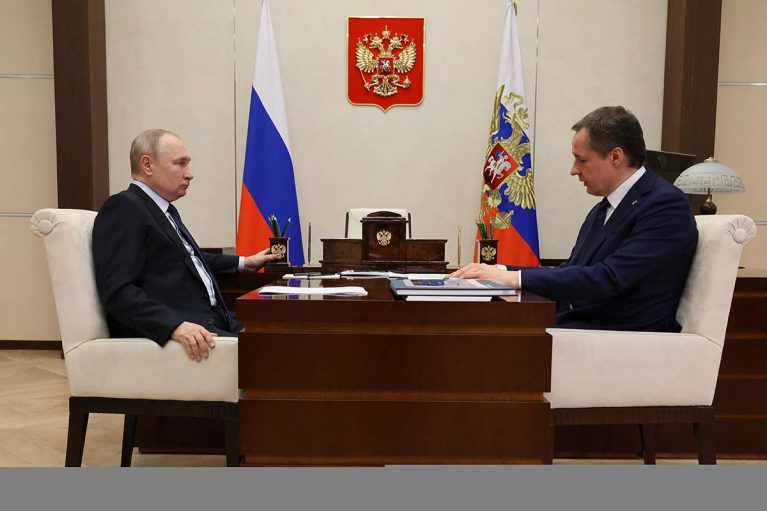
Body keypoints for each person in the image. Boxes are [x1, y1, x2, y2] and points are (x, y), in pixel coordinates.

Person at [452, 106, 698, 332]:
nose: (573, 170)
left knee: (485, 332)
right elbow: (572, 270)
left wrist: (513, 279)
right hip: (581, 325)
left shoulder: (665, 205)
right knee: (474, 321)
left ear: (616, 157)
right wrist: (499, 271)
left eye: (582, 160)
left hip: (620, 336)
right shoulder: (603, 209)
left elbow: (610, 279)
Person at [92, 129, 278, 361]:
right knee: (282, 354)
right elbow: (119, 292)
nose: (189, 174)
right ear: (147, 165)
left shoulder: (163, 210)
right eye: (180, 164)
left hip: (218, 322)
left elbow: (188, 259)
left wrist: (244, 262)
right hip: (188, 331)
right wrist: (174, 326)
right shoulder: (124, 208)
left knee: (290, 333)